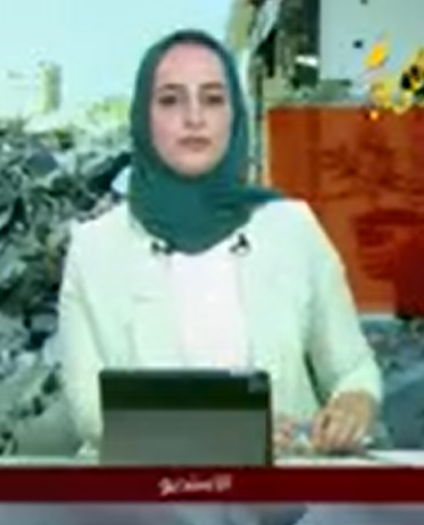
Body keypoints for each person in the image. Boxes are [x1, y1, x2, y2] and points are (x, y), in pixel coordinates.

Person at [58, 29, 383, 459]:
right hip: (150, 493)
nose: (194, 118)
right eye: (171, 100)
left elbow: (352, 367)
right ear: (143, 117)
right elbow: (92, 412)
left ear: (234, 116)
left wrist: (355, 402)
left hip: (282, 491)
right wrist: (222, 434)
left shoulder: (292, 227)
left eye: (212, 99)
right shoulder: (94, 249)